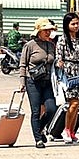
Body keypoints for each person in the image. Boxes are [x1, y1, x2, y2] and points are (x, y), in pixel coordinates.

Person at [19, 18, 57, 148]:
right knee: (36, 111)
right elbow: (23, 64)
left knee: (52, 109)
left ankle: (39, 129)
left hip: (47, 82)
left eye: (49, 30)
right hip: (33, 82)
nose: (48, 33)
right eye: (45, 30)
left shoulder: (51, 45)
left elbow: (54, 61)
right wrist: (22, 81)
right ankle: (38, 139)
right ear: (38, 31)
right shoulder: (30, 45)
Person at [56, 12, 79, 144]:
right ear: (67, 25)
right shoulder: (62, 39)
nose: (76, 26)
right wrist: (60, 65)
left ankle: (72, 131)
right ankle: (66, 129)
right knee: (73, 102)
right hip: (69, 72)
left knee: (78, 105)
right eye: (73, 24)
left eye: (77, 23)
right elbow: (59, 56)